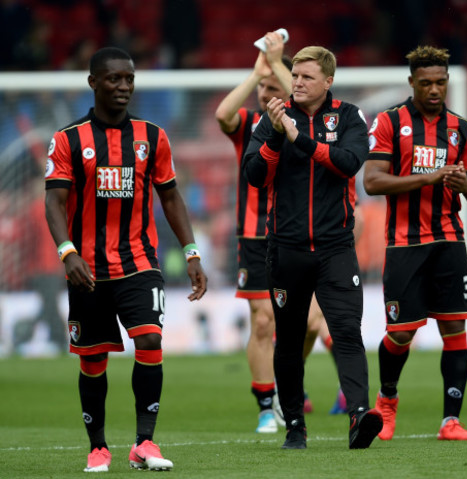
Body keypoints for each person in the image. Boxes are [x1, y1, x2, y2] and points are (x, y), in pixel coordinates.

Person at [44, 46, 207, 472]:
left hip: (139, 261)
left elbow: (170, 196)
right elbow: (54, 202)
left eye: (129, 79)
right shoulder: (68, 139)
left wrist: (191, 251)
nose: (123, 87)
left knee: (150, 339)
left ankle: (144, 443)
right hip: (88, 269)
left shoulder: (152, 137)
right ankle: (98, 447)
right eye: (114, 79)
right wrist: (68, 253)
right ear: (93, 82)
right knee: (93, 358)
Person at [243, 45, 383, 450]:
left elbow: (349, 162)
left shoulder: (350, 116)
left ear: (328, 81)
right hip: (286, 249)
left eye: (306, 77)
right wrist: (275, 135)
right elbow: (254, 175)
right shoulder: (271, 118)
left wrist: (298, 138)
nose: (298, 83)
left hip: (336, 246)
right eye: (296, 75)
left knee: (346, 331)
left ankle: (359, 417)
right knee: (287, 340)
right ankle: (295, 430)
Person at [364, 45, 467, 442]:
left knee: (454, 327)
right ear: (411, 82)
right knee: (400, 332)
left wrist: (465, 185)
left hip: (450, 239)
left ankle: (451, 421)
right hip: (404, 244)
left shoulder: (462, 128)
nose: (435, 90)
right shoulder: (388, 121)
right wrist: (428, 178)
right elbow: (372, 181)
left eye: (441, 82)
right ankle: (386, 401)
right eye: (426, 83)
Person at [215, 31, 327, 433]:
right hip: (255, 236)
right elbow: (222, 115)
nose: (265, 94)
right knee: (263, 321)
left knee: (311, 323)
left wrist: (280, 67)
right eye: (262, 89)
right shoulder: (249, 124)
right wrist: (256, 73)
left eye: (274, 87)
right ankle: (266, 405)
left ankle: (285, 382)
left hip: (300, 232)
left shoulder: (307, 125)